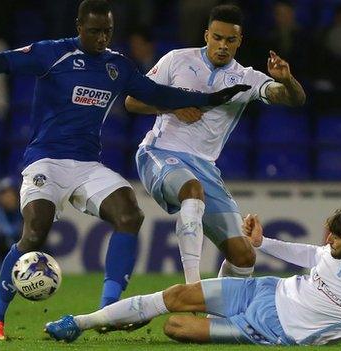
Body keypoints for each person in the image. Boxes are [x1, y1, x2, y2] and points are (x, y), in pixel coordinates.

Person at [0, 0, 249, 341]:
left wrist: (213, 99)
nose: (101, 39)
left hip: (86, 166)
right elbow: (3, 61)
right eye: (94, 31)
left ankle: (107, 309)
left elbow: (158, 93)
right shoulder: (52, 53)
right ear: (79, 26)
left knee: (129, 214)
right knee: (35, 232)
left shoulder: (116, 66)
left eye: (107, 32)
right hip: (46, 161)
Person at [44, 205, 341, 349]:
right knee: (176, 294)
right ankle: (79, 323)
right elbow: (312, 253)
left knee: (176, 326)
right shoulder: (334, 250)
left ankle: (133, 315)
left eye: (337, 240)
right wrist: (263, 243)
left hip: (270, 328)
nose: (328, 242)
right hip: (264, 289)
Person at [127, 4, 306, 286]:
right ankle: (192, 287)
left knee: (244, 256)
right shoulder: (176, 60)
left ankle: (219, 318)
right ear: (207, 35)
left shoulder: (247, 79)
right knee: (191, 190)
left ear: (239, 41)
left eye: (230, 40)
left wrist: (287, 80)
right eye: (217, 38)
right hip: (160, 153)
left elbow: (293, 99)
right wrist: (173, 108)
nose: (223, 46)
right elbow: (132, 101)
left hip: (205, 167)